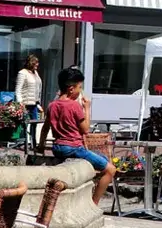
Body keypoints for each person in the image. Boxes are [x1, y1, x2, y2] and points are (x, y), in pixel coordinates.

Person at [47, 67, 114, 206]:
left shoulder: (52, 105)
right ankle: (93, 205)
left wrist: (41, 145)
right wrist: (87, 108)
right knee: (110, 170)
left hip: (58, 146)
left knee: (102, 159)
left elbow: (45, 128)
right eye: (79, 87)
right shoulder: (74, 106)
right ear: (71, 89)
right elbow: (85, 129)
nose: (80, 91)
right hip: (73, 147)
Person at [15, 54, 45, 151]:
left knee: (34, 123)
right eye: (35, 63)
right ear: (31, 63)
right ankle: (22, 143)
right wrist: (20, 102)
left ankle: (33, 143)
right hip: (25, 103)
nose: (37, 65)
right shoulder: (22, 73)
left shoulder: (35, 73)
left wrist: (38, 103)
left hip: (34, 103)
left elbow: (37, 88)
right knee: (24, 123)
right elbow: (18, 89)